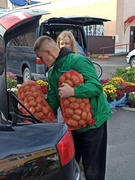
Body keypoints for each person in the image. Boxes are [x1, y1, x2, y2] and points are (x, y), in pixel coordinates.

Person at [33, 35, 112, 180]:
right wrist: (34, 109)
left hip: (94, 123)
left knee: (93, 170)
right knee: (71, 166)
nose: (43, 63)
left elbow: (96, 86)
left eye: (42, 58)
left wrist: (74, 91)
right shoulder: (52, 72)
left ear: (50, 52)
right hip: (73, 125)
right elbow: (53, 101)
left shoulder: (78, 60)